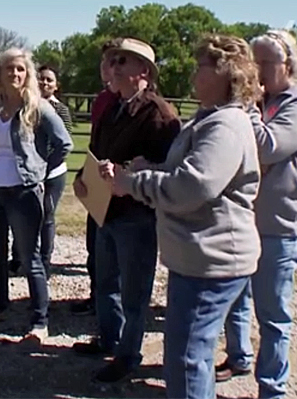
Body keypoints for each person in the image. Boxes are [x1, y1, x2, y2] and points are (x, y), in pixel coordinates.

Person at [109, 33, 263, 399]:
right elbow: (189, 173)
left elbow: (192, 187)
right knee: (192, 355)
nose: (193, 75)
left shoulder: (224, 126)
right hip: (200, 259)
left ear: (226, 73)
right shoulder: (211, 120)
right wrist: (154, 168)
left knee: (185, 358)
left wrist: (131, 183)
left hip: (211, 262)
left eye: (201, 67)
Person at [216, 30, 297, 399]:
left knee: (273, 314)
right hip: (244, 222)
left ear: (288, 66)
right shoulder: (263, 104)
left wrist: (246, 106)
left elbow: (266, 147)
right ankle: (239, 356)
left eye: (264, 63)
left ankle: (272, 389)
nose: (256, 71)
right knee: (236, 300)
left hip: (279, 227)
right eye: (252, 63)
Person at [72, 37, 181, 383]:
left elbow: (169, 168)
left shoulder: (160, 115)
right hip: (105, 209)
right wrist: (82, 176)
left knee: (135, 293)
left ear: (144, 72)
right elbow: (95, 149)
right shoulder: (113, 107)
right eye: (113, 61)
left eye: (123, 61)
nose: (114, 67)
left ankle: (128, 356)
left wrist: (129, 173)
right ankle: (108, 339)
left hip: (136, 214)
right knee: (104, 282)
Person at [0, 47, 73, 343]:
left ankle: (39, 321)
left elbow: (64, 144)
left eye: (20, 69)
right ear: (0, 74)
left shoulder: (39, 107)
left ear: (27, 73)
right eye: (9, 69)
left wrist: (40, 170)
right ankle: (0, 305)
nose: (15, 74)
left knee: (30, 257)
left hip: (23, 192)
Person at [69, 38, 121, 317]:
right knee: (95, 244)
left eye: (114, 61)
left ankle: (116, 307)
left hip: (123, 184)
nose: (106, 67)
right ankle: (97, 296)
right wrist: (83, 172)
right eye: (104, 61)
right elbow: (95, 142)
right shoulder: (102, 100)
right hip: (98, 179)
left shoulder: (132, 102)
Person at [7, 64, 73, 277]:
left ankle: (44, 261)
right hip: (28, 171)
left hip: (52, 172)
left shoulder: (59, 109)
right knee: (21, 214)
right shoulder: (23, 105)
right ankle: (18, 258)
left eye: (49, 80)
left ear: (56, 86)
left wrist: (45, 167)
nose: (44, 83)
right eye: (41, 78)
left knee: (47, 215)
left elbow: (63, 141)